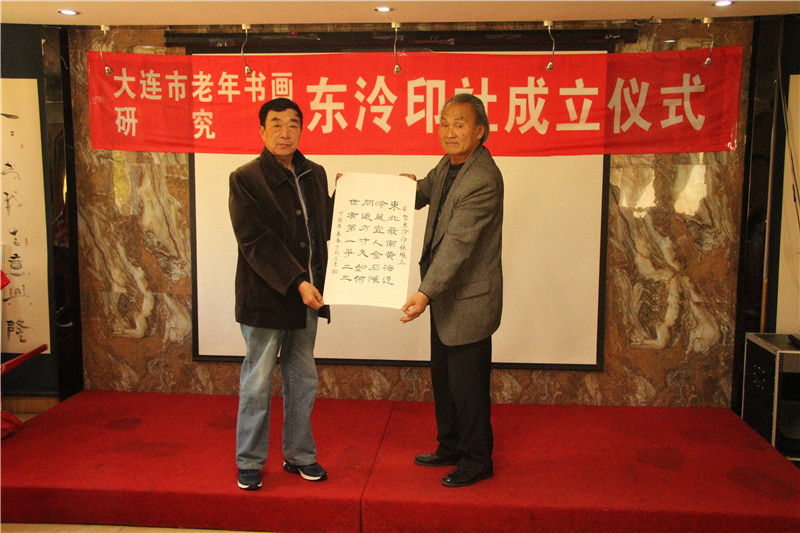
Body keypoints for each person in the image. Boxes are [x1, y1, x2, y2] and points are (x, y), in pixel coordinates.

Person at [400, 93, 503, 488]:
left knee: (468, 386)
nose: (449, 131)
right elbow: (419, 192)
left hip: (468, 300)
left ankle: (477, 460)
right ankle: (451, 445)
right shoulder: (448, 164)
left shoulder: (482, 178)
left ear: (480, 131)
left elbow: (458, 243)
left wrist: (425, 293)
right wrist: (365, 189)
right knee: (444, 380)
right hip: (445, 295)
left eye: (459, 124)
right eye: (444, 123)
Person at [229, 97, 332, 490]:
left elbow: (324, 225)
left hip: (308, 298)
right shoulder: (245, 178)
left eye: (293, 124)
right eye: (276, 124)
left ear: (302, 129)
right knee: (257, 381)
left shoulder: (314, 174)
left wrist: (357, 197)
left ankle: (300, 455)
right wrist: (298, 282)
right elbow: (256, 241)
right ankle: (249, 460)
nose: (285, 132)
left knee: (302, 378)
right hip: (267, 298)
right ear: (262, 130)